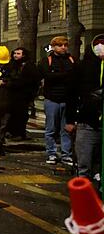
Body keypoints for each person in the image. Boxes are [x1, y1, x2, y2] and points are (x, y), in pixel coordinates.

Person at [64, 34, 104, 188]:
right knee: (84, 164)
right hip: (87, 122)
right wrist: (70, 120)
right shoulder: (82, 67)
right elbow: (71, 94)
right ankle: (83, 204)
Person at [37, 36, 77, 166]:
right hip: (52, 99)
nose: (63, 48)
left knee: (66, 129)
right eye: (60, 45)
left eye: (65, 45)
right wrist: (66, 75)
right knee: (51, 129)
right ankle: (52, 153)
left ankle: (66, 154)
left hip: (67, 99)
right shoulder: (47, 60)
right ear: (53, 46)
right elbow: (48, 75)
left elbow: (74, 76)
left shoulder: (71, 60)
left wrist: (58, 76)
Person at [7, 47, 40, 140]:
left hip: (24, 95)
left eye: (18, 54)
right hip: (13, 94)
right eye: (15, 53)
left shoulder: (29, 66)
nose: (15, 55)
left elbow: (33, 80)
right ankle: (12, 131)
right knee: (12, 114)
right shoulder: (12, 64)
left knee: (21, 115)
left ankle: (19, 133)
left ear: (23, 55)